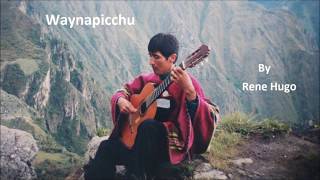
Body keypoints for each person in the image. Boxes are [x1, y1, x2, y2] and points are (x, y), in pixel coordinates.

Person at [84, 33, 220, 179]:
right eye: (150, 56)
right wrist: (120, 100)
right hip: (137, 146)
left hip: (166, 150)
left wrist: (191, 93)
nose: (151, 62)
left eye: (156, 57)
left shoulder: (187, 84)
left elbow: (210, 115)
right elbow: (123, 92)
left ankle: (137, 175)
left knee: (148, 126)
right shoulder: (147, 80)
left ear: (172, 58)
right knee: (106, 148)